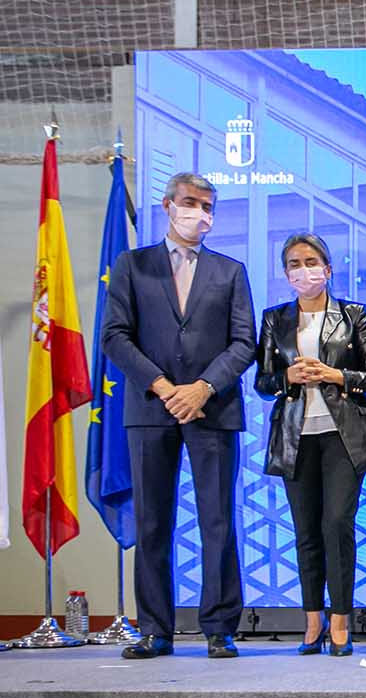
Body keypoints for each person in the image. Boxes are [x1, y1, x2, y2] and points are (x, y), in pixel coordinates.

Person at [100, 172, 256, 659]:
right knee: (152, 522)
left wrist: (203, 387)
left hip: (213, 408)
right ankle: (155, 630)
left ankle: (219, 628)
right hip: (151, 407)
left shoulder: (230, 271)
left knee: (218, 520)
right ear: (168, 205)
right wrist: (165, 388)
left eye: (208, 207)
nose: (199, 214)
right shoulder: (132, 265)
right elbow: (114, 336)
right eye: (191, 203)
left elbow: (244, 343)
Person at [254, 233, 366, 658]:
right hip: (295, 436)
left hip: (344, 435)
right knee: (306, 531)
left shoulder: (353, 315)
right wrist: (286, 377)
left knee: (337, 524)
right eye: (294, 263)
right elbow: (262, 382)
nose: (304, 270)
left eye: (311, 262)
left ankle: (341, 620)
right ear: (286, 273)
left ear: (327, 269)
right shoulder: (274, 319)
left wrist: (335, 375)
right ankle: (313, 620)